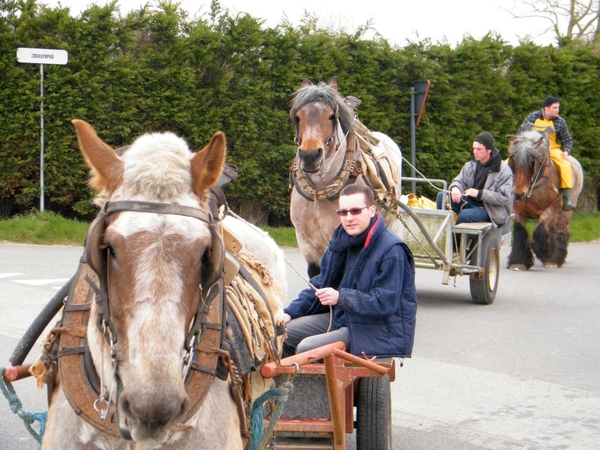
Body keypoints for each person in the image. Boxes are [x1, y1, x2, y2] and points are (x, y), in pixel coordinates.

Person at [282, 183, 417, 359]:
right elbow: (321, 283)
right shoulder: (341, 240)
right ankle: (285, 386)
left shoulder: (393, 250)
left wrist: (340, 297)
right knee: (281, 333)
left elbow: (385, 303)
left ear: (372, 210)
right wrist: (290, 312)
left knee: (307, 349)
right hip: (342, 317)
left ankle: (315, 386)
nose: (349, 218)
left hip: (375, 329)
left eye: (355, 211)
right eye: (343, 212)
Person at [436, 131, 513, 226]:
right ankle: (442, 233)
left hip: (491, 210)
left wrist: (479, 193)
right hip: (470, 202)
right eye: (474, 148)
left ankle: (456, 239)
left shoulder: (503, 170)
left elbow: (504, 197)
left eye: (479, 149)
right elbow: (459, 180)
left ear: (489, 150)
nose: (475, 152)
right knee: (442, 196)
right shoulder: (471, 165)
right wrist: (455, 188)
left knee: (465, 215)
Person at [520, 96, 576, 210]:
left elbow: (568, 140)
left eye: (558, 107)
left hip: (552, 149)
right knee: (509, 162)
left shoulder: (560, 122)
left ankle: (566, 200)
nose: (558, 110)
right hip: (532, 148)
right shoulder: (532, 117)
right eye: (555, 108)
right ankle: (508, 192)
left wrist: (567, 151)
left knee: (565, 165)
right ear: (546, 108)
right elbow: (521, 132)